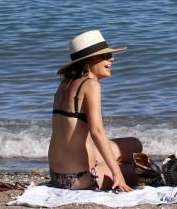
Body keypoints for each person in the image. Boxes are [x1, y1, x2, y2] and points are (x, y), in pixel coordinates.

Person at [48, 30, 142, 191]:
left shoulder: (64, 85)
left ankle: (107, 164)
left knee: (135, 144)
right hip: (79, 178)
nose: (111, 58)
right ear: (89, 60)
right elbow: (96, 132)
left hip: (57, 175)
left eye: (110, 54)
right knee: (143, 171)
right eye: (105, 56)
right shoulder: (90, 85)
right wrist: (116, 173)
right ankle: (111, 168)